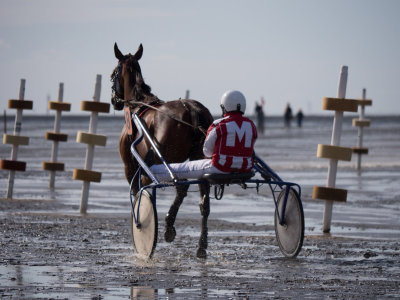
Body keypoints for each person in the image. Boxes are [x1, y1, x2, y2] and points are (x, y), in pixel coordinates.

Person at [149, 90, 258, 182]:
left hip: (218, 168)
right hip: (245, 168)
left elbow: (206, 151)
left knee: (180, 169)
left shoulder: (218, 124)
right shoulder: (251, 125)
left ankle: (150, 169)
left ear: (224, 107)